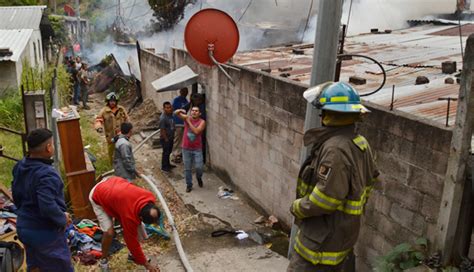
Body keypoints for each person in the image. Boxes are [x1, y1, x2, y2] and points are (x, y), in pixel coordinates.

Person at [287, 82, 379, 272]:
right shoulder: (360, 143)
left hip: (320, 241)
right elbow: (370, 181)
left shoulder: (335, 149)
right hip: (343, 233)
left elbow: (325, 199)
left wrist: (298, 207)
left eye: (323, 112)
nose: (321, 116)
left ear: (330, 115)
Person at [12, 128, 73, 272]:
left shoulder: (20, 166)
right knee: (60, 267)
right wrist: (62, 219)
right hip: (44, 232)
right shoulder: (46, 174)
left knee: (35, 267)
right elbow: (47, 206)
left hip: (24, 227)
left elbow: (16, 195)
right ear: (48, 147)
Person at [89, 176, 161, 272]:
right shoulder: (129, 216)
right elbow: (132, 242)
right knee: (109, 232)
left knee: (137, 227)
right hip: (98, 195)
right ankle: (103, 260)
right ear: (141, 217)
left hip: (114, 186)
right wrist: (147, 265)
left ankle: (133, 256)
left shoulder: (149, 197)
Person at [174, 106, 206, 192]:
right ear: (191, 112)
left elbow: (196, 131)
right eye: (193, 111)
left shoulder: (202, 122)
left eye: (196, 111)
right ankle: (189, 185)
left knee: (199, 167)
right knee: (187, 168)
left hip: (197, 149)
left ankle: (199, 177)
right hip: (186, 148)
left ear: (199, 113)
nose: (194, 112)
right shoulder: (187, 117)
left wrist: (188, 121)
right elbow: (175, 113)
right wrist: (180, 110)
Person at [95, 92, 129, 164]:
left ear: (116, 102)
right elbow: (98, 120)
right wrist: (99, 127)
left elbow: (127, 119)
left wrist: (128, 130)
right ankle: (112, 166)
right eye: (111, 101)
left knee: (123, 149)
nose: (112, 103)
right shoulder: (104, 111)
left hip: (121, 134)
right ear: (108, 102)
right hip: (111, 135)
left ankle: (123, 164)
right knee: (112, 152)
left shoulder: (121, 109)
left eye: (114, 101)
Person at [171, 87, 189, 163]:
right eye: (183, 91)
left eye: (186, 92)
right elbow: (173, 111)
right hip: (178, 122)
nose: (184, 93)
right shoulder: (176, 100)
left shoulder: (186, 100)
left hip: (184, 123)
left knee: (182, 139)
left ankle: (180, 154)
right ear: (180, 92)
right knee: (178, 139)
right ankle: (175, 154)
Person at [159, 101, 175, 172]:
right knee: (165, 152)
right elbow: (162, 130)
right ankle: (164, 167)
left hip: (170, 137)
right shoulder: (163, 118)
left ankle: (168, 164)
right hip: (166, 139)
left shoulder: (171, 115)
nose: (169, 109)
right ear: (164, 108)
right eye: (167, 108)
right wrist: (166, 139)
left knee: (169, 152)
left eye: (170, 107)